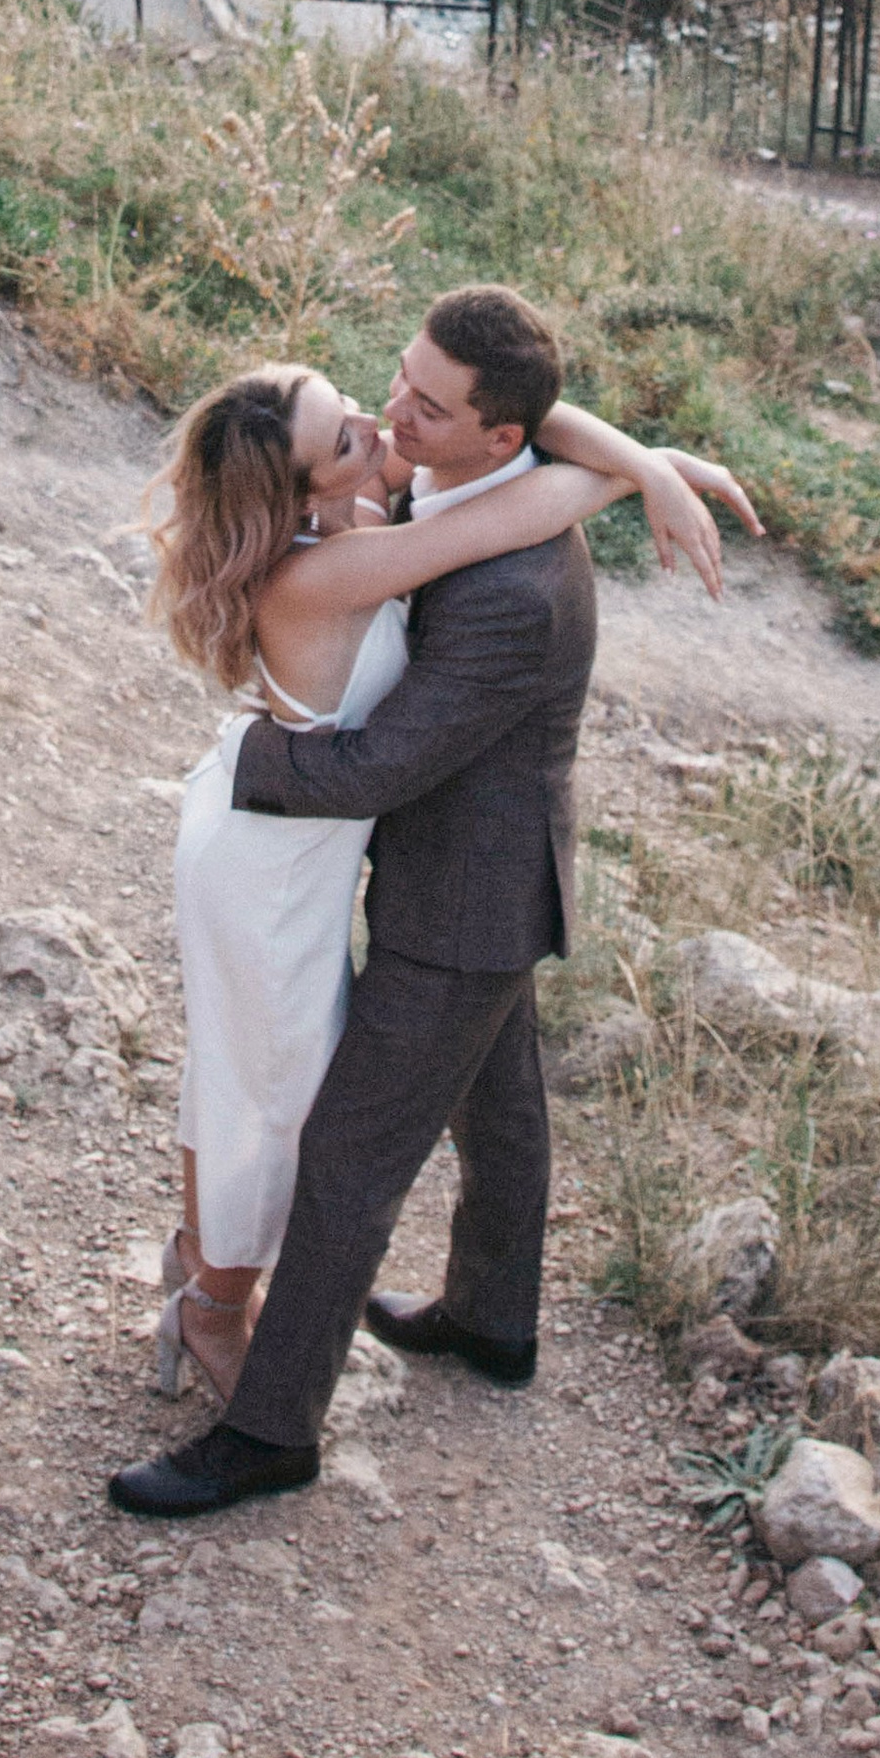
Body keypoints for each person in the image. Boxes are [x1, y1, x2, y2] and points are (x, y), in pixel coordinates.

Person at [111, 286, 756, 1515]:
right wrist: (647, 465)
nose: (391, 414)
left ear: (499, 435)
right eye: (390, 386)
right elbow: (552, 444)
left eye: (425, 404)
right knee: (500, 1102)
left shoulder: (506, 584)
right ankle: (492, 1318)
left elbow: (382, 768)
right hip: (474, 875)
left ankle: (271, 1429)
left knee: (352, 1155)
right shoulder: (445, 483)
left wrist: (245, 760)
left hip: (458, 898)